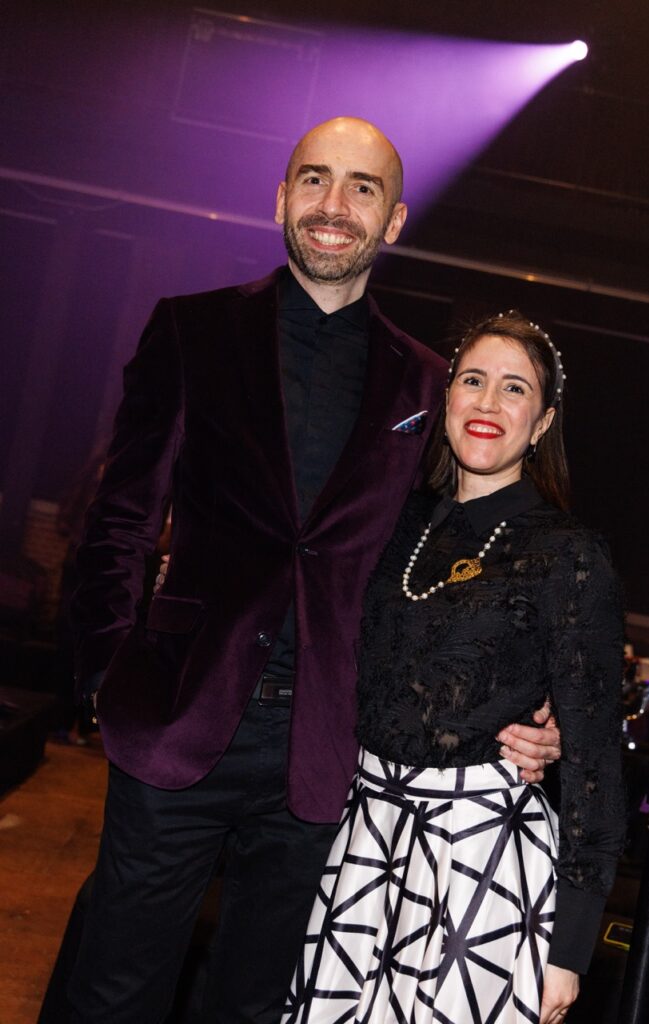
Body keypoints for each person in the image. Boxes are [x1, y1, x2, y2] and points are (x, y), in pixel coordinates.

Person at [66, 119, 561, 1023]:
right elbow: (119, 520)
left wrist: (532, 697)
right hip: (178, 716)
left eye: (362, 188)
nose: (335, 206)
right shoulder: (192, 329)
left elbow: (457, 566)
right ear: (281, 197)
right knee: (114, 989)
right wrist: (108, 674)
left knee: (258, 1005)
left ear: (396, 220)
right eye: (315, 181)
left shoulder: (426, 384)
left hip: (331, 749)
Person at [281, 311, 625, 1024]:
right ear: (445, 401)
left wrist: (570, 948)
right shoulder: (395, 522)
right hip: (361, 841)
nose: (488, 404)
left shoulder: (569, 554)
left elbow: (596, 764)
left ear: (543, 421)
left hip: (484, 862)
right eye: (472, 380)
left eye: (514, 389)